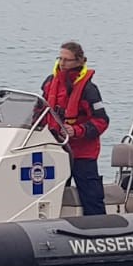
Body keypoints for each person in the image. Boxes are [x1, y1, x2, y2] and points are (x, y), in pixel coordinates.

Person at [42, 41, 111, 215]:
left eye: (67, 60)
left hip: (82, 153)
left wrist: (78, 130)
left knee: (91, 197)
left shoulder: (89, 89)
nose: (62, 63)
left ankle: (99, 231)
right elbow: (40, 111)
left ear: (79, 61)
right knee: (49, 197)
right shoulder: (50, 83)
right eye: (60, 58)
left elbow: (102, 121)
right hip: (56, 151)